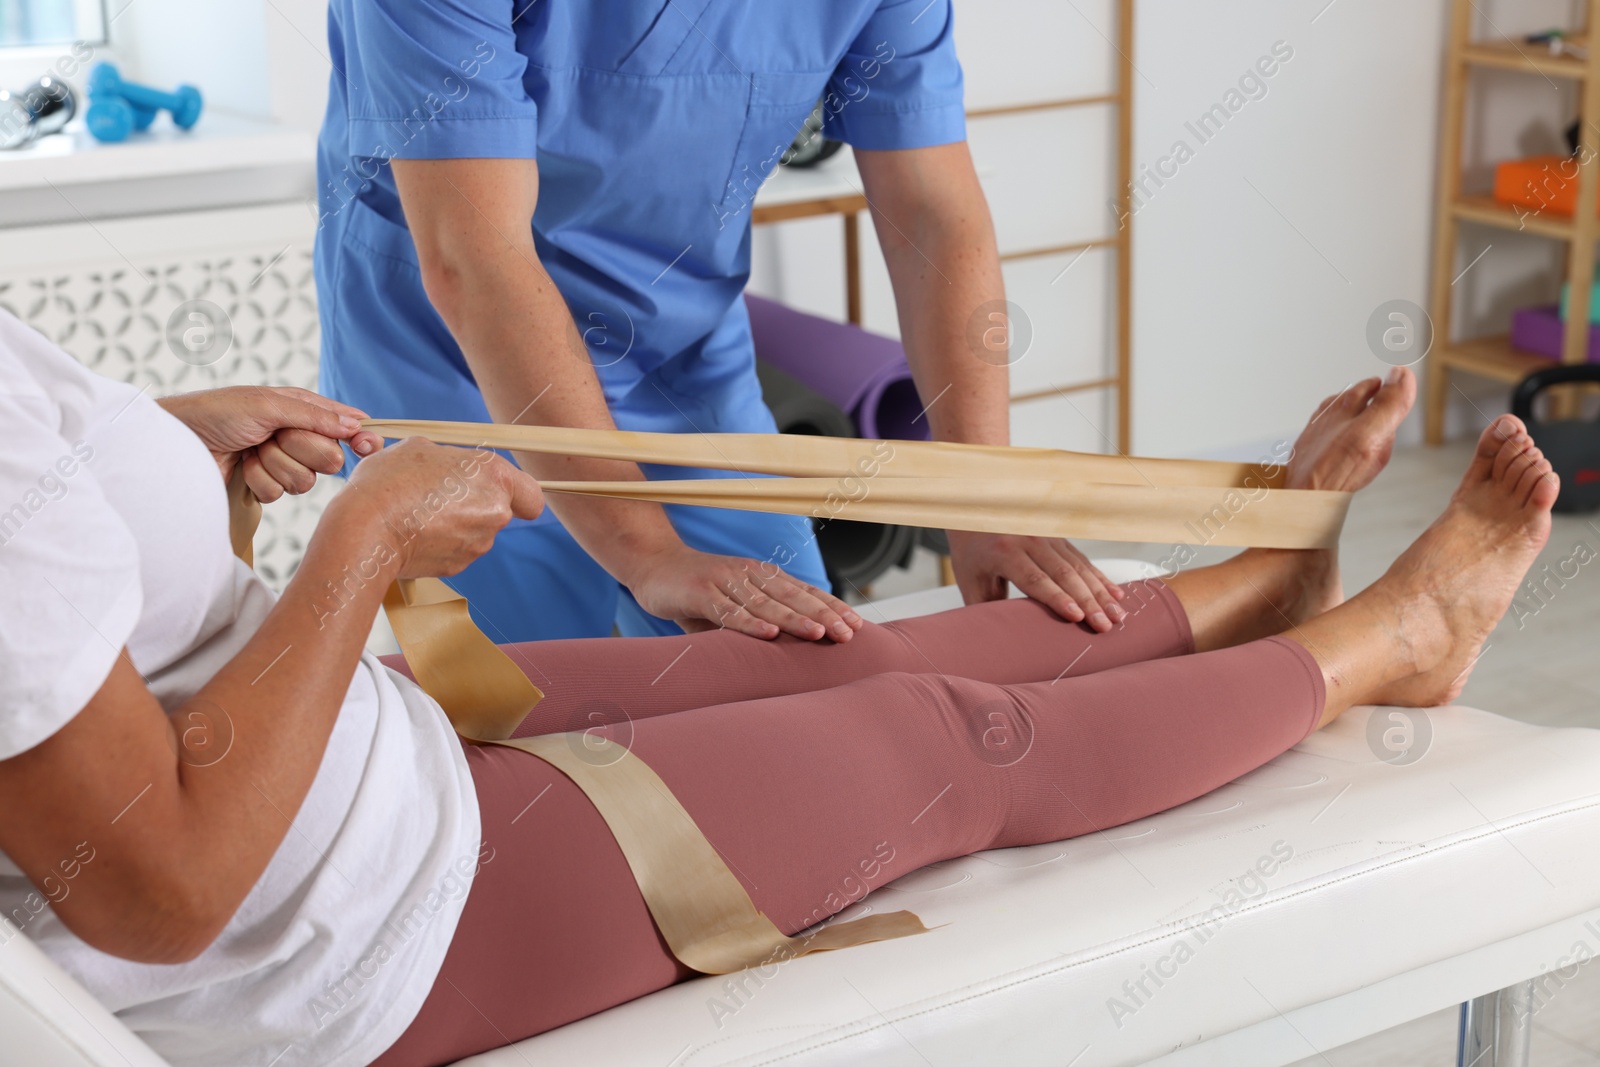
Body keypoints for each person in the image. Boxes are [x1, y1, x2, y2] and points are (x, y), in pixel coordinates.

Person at [0, 311, 1559, 1067]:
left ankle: (1250, 590)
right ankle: (1385, 640)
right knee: (935, 736)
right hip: (352, 918)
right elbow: (160, 880)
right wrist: (365, 539)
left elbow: (104, 662)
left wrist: (172, 463)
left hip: (355, 746)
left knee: (820, 651)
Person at [312, 0, 1130, 645]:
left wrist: (981, 495)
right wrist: (647, 553)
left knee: (802, 670)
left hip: (681, 352)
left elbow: (932, 210)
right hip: (455, 361)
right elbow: (473, 258)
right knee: (529, 736)